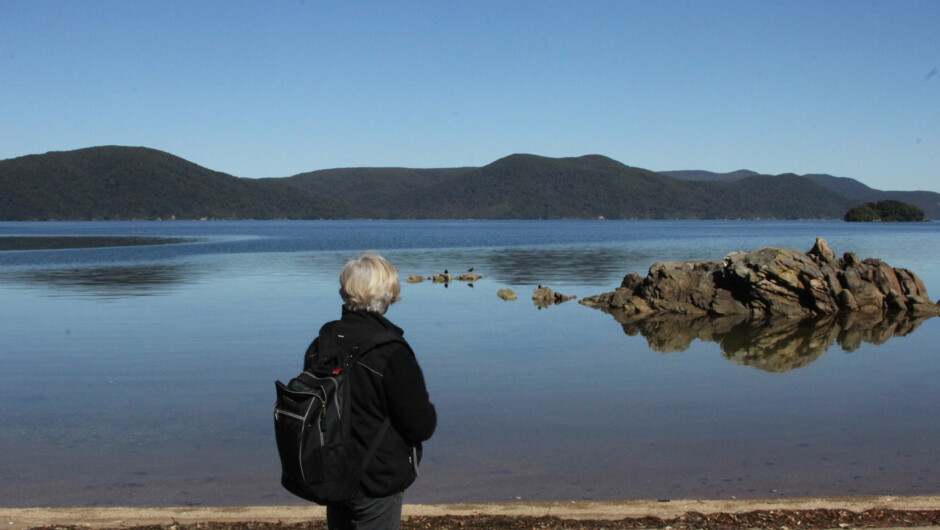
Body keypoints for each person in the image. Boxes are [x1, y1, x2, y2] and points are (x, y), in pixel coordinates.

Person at [304, 252, 437, 529]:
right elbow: (420, 425)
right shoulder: (391, 351)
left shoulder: (324, 342)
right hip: (377, 478)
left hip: (331, 471)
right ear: (387, 295)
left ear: (346, 290)